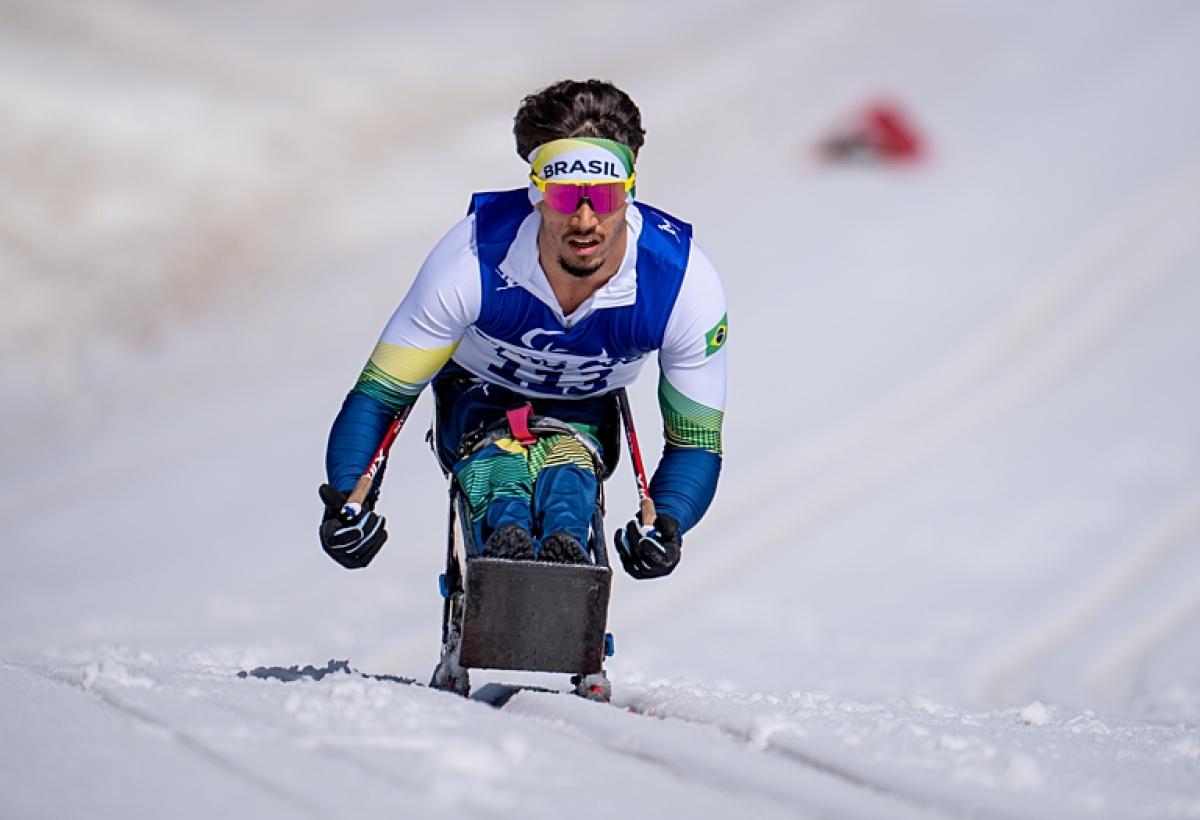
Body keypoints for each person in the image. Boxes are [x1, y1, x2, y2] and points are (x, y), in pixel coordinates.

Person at [319, 78, 727, 582]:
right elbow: (380, 396)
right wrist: (346, 499)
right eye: (563, 198)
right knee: (498, 469)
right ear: (535, 195)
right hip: (475, 397)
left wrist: (666, 523)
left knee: (567, 480)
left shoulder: (684, 282)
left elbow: (696, 442)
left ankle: (561, 553)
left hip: (583, 413)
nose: (584, 220)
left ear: (629, 194)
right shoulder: (469, 259)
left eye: (601, 197)